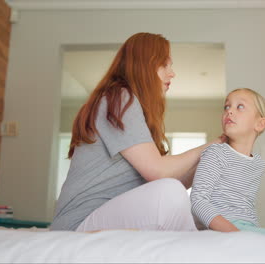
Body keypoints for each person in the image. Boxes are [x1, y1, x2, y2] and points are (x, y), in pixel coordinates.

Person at [50, 32, 225, 232]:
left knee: (178, 198)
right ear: (146, 64)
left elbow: (168, 179)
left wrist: (211, 157)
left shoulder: (133, 110)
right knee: (170, 193)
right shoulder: (119, 98)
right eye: (165, 64)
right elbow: (159, 173)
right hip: (77, 224)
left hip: (102, 216)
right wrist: (215, 144)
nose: (172, 73)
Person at [190, 88, 265, 238]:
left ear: (260, 124)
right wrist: (236, 235)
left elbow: (246, 207)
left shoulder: (258, 164)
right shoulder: (216, 153)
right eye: (226, 107)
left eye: (240, 106)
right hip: (222, 229)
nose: (229, 111)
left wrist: (252, 234)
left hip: (247, 228)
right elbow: (198, 201)